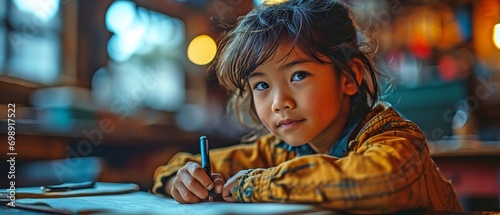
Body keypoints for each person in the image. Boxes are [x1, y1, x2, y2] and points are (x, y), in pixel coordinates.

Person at [152, 0, 463, 213]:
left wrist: (252, 184)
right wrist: (181, 181)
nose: (279, 103)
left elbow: (380, 181)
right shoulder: (280, 150)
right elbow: (180, 164)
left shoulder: (396, 139)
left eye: (299, 75)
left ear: (350, 77)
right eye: (262, 85)